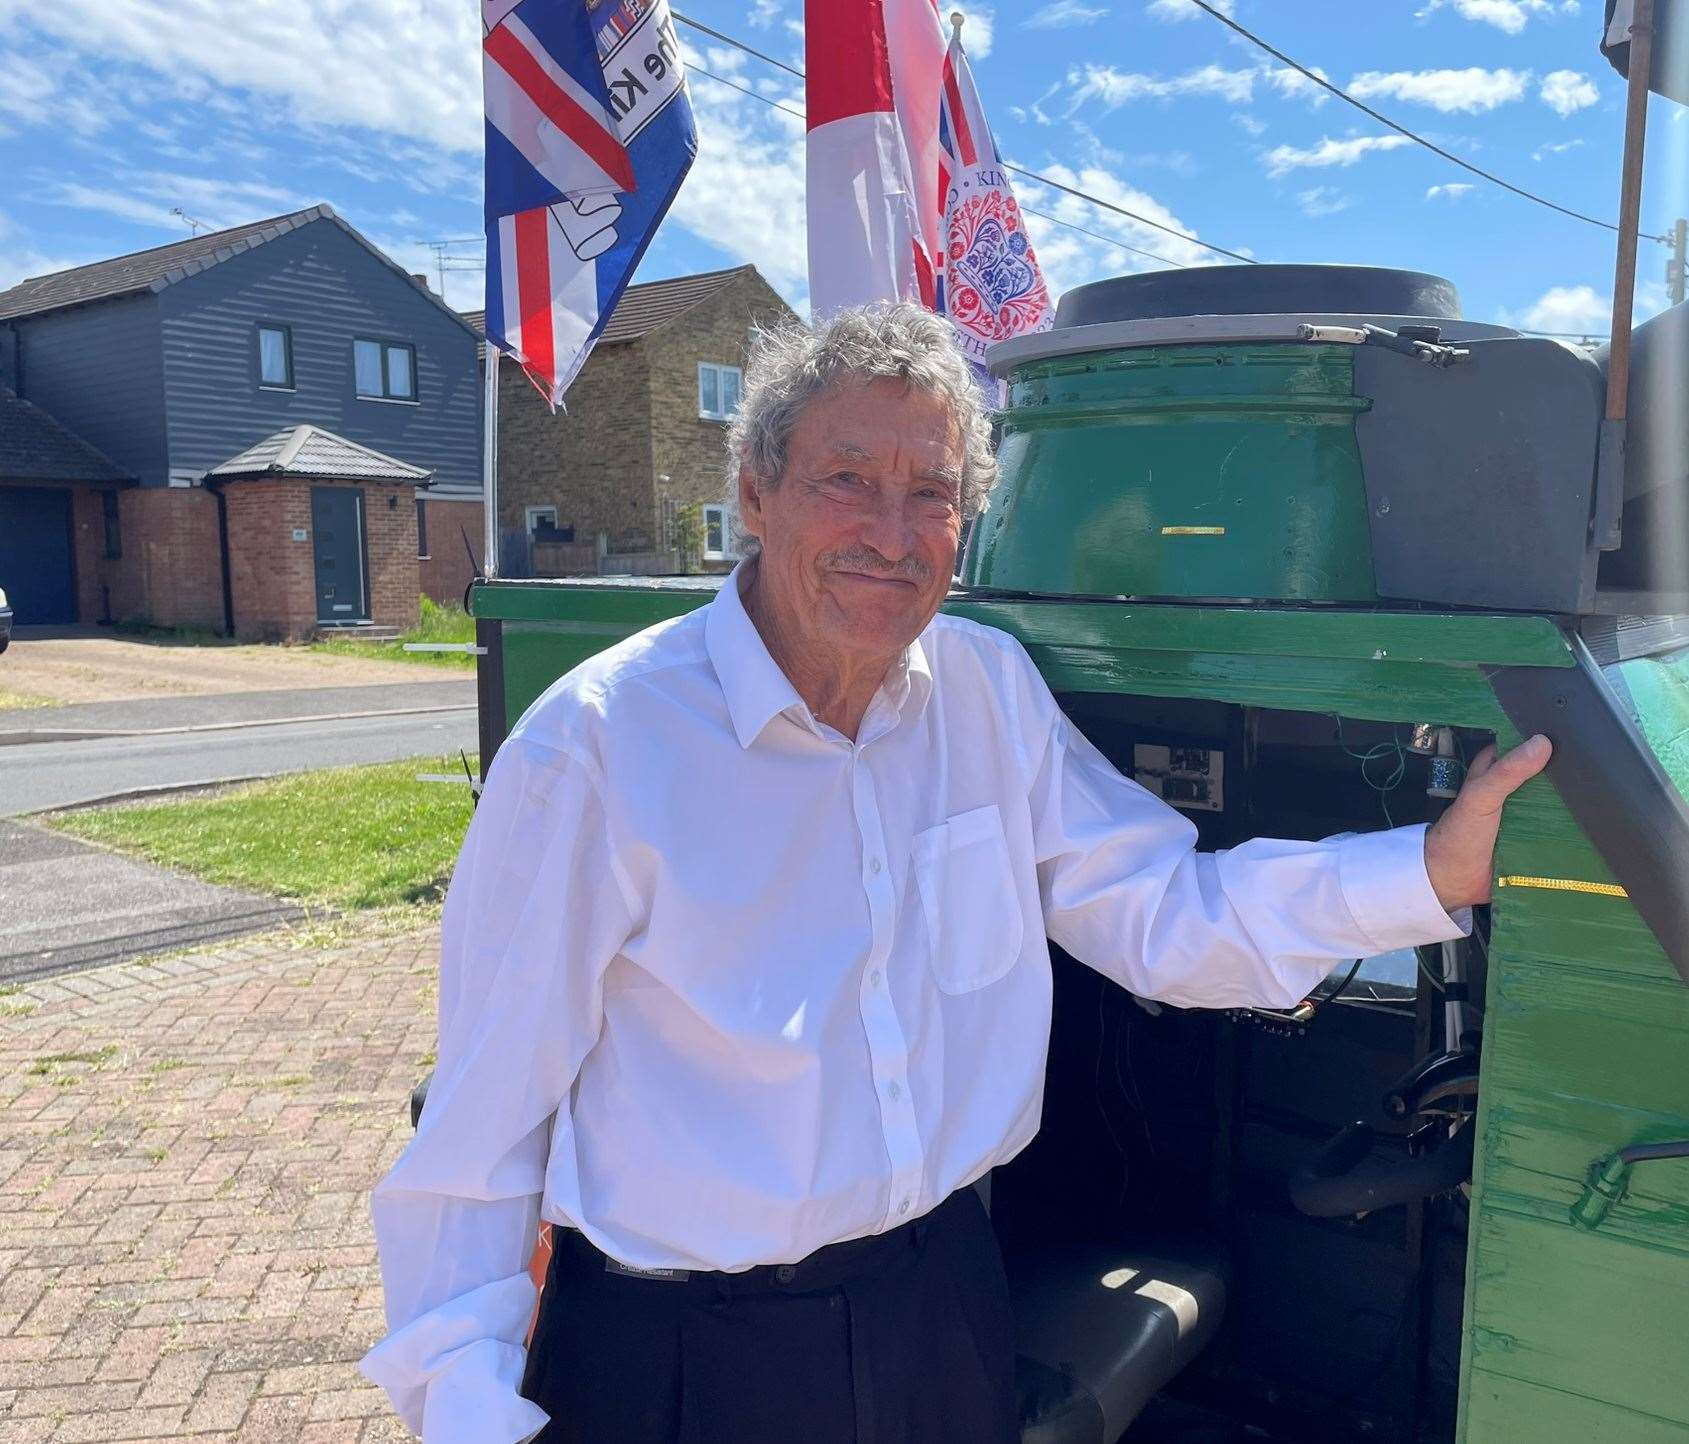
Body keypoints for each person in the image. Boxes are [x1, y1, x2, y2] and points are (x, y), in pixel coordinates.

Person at [361, 304, 1550, 1443]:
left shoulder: (986, 692)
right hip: (686, 1356)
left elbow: (1163, 911)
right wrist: (472, 1411)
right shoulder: (598, 746)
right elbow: (477, 1142)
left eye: (932, 492)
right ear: (755, 495)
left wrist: (1429, 868)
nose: (892, 529)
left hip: (939, 1310)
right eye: (848, 479)